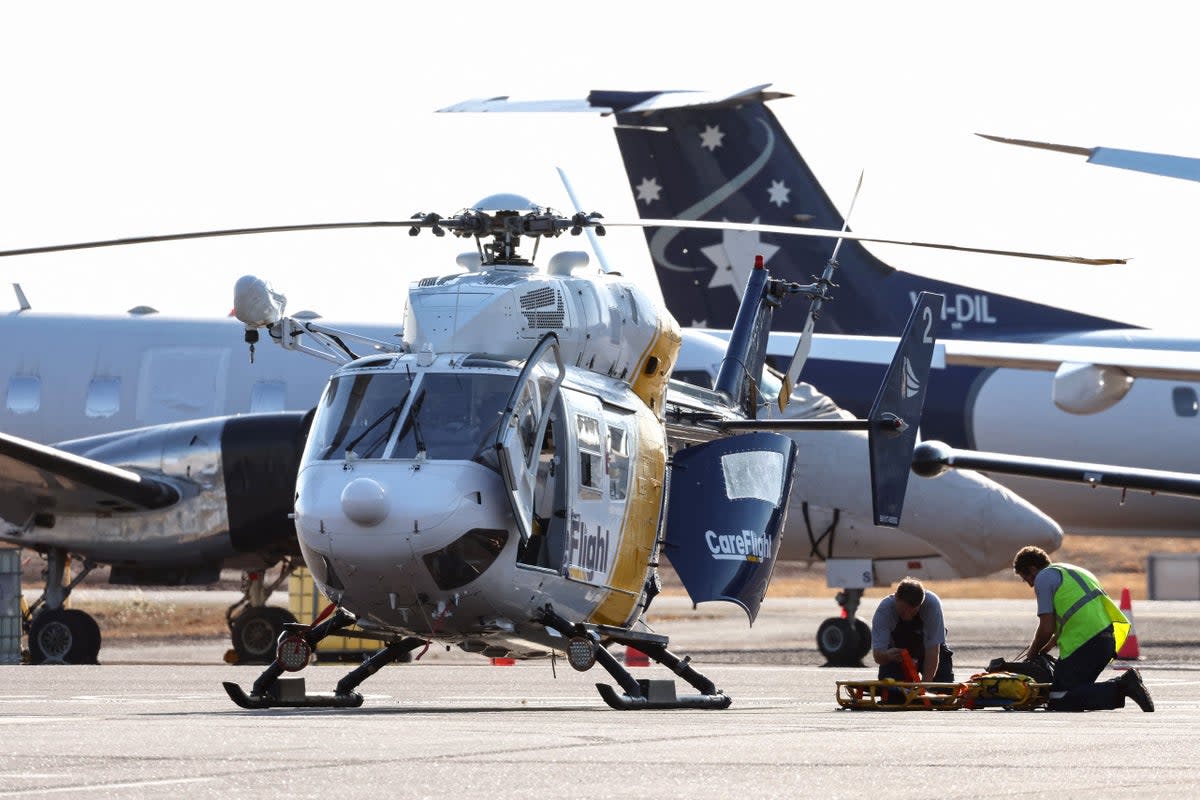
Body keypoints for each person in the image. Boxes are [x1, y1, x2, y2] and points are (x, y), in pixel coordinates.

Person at [1012, 545, 1153, 712]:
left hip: (1085, 644)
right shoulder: (1072, 571)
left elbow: (1046, 627)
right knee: (1075, 690)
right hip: (1106, 641)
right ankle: (1124, 685)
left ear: (1032, 569)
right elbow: (1072, 617)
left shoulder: (1043, 578)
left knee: (1059, 698)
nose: (1029, 585)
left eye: (1026, 578)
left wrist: (1032, 653)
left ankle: (1123, 685)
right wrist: (1047, 647)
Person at [871, 577, 954, 683]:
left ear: (921, 604)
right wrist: (886, 656)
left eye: (913, 613)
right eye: (902, 612)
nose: (907, 617)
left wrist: (925, 689)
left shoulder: (931, 605)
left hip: (928, 650)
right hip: (898, 655)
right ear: (896, 597)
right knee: (892, 691)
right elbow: (878, 656)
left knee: (943, 689)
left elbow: (933, 651)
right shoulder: (884, 611)